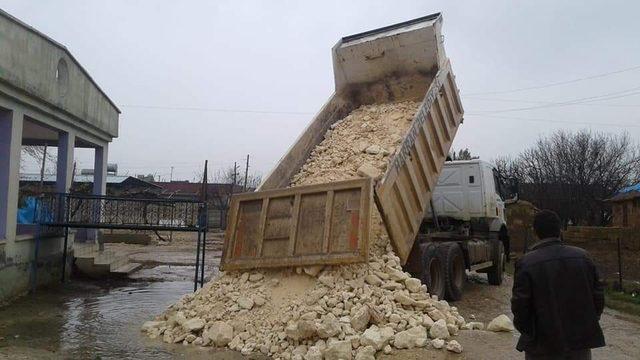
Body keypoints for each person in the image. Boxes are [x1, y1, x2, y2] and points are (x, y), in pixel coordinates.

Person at [511, 210, 605, 359]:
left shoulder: (526, 263)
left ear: (535, 233)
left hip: (541, 346)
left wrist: (531, 333)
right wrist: (585, 324)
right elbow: (598, 298)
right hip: (578, 345)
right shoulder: (583, 257)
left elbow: (520, 307)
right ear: (560, 231)